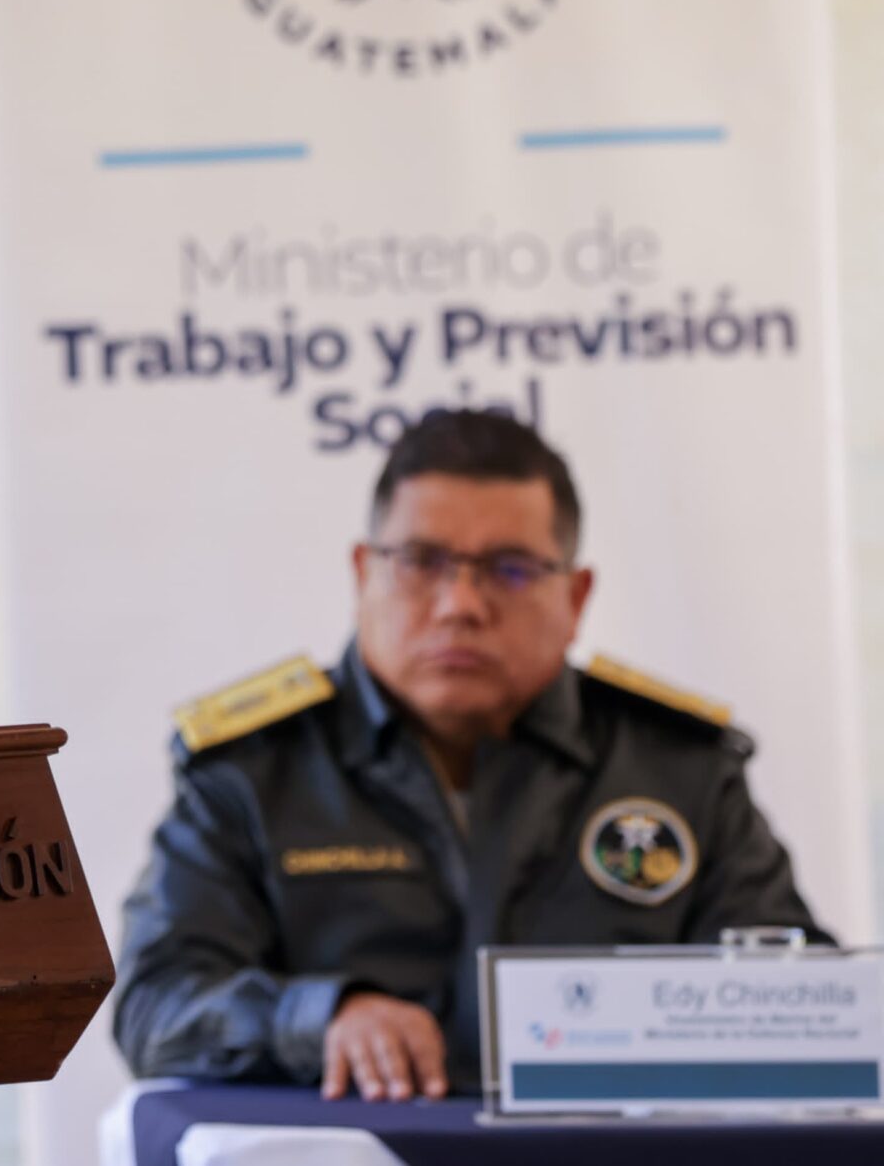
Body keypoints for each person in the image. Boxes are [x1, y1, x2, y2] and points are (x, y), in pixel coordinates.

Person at [114, 409, 825, 1104]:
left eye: (510, 570)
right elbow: (156, 1004)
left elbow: (801, 1001)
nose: (459, 604)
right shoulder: (252, 771)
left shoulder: (679, 769)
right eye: (421, 562)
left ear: (576, 597)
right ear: (363, 574)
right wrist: (318, 1020)